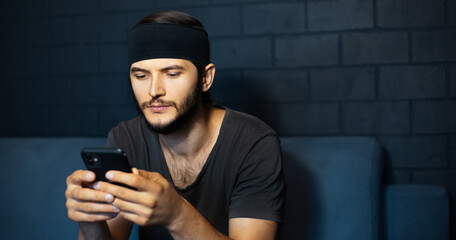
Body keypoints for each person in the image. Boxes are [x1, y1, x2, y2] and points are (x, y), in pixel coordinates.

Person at [65, 10, 285, 240]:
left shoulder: (253, 143)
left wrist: (177, 216)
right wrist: (88, 219)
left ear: (205, 79)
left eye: (171, 73)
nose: (153, 91)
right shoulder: (126, 138)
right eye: (141, 76)